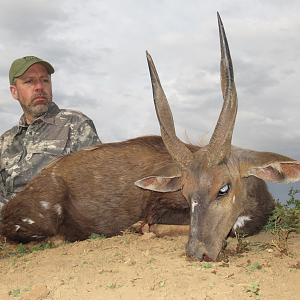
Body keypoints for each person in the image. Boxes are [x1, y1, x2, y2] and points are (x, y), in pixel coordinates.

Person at [0, 56, 101, 220]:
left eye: (45, 80)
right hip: (9, 222)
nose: (39, 87)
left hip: (55, 221)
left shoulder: (75, 123)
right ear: (14, 91)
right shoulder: (5, 141)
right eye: (30, 82)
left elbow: (96, 183)